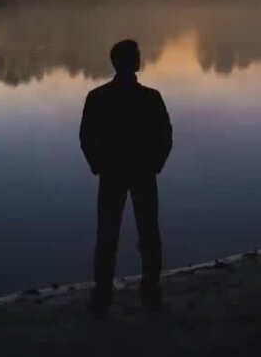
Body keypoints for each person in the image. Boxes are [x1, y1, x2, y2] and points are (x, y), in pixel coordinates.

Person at [79, 39, 173, 318]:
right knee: (145, 233)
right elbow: (165, 134)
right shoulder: (149, 97)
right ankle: (148, 288)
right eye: (136, 55)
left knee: (111, 234)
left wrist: (98, 165)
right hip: (135, 172)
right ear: (127, 61)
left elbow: (86, 137)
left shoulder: (98, 96)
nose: (140, 58)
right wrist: (155, 164)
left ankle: (105, 292)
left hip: (118, 173)